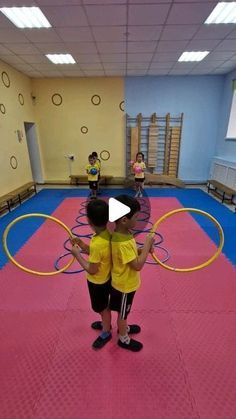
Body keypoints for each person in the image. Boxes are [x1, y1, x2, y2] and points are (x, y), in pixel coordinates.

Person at [110, 194, 154, 352]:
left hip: (126, 283)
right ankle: (123, 338)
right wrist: (147, 246)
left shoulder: (123, 233)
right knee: (123, 314)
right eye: (136, 216)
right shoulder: (122, 242)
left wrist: (143, 249)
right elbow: (137, 265)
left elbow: (131, 255)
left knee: (124, 311)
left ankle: (125, 328)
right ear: (124, 220)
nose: (138, 220)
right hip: (124, 286)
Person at [70, 199, 112, 350]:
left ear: (88, 220)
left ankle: (106, 331)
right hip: (105, 279)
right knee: (102, 307)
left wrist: (77, 255)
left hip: (98, 282)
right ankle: (105, 323)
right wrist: (82, 245)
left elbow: (92, 269)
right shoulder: (105, 235)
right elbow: (96, 254)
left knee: (102, 308)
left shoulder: (97, 243)